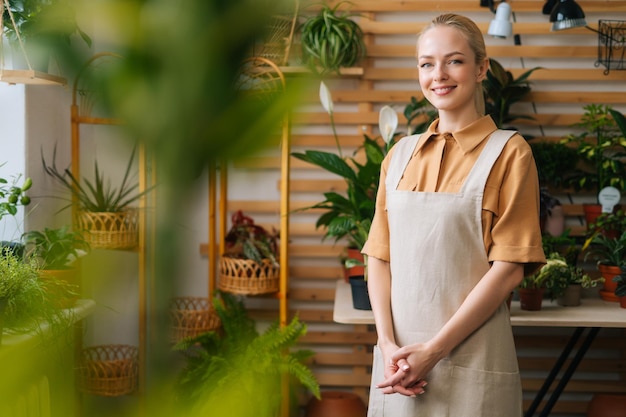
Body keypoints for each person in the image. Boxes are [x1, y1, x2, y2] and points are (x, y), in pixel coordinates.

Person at [363, 13, 546, 417]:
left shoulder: (510, 153)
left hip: (472, 364)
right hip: (398, 368)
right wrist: (387, 344)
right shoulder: (399, 157)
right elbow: (378, 256)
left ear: (481, 68)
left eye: (454, 61)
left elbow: (510, 268)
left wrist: (434, 351)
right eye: (426, 63)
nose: (438, 75)